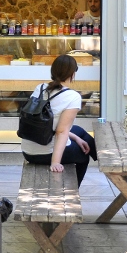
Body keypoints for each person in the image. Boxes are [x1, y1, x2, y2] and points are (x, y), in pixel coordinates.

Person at [20, 54, 97, 186]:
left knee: (80, 132)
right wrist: (55, 162)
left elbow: (52, 126)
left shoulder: (40, 88)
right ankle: (72, 190)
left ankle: (101, 158)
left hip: (28, 150)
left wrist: (77, 139)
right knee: (84, 157)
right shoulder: (72, 97)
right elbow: (61, 131)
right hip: (45, 154)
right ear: (72, 74)